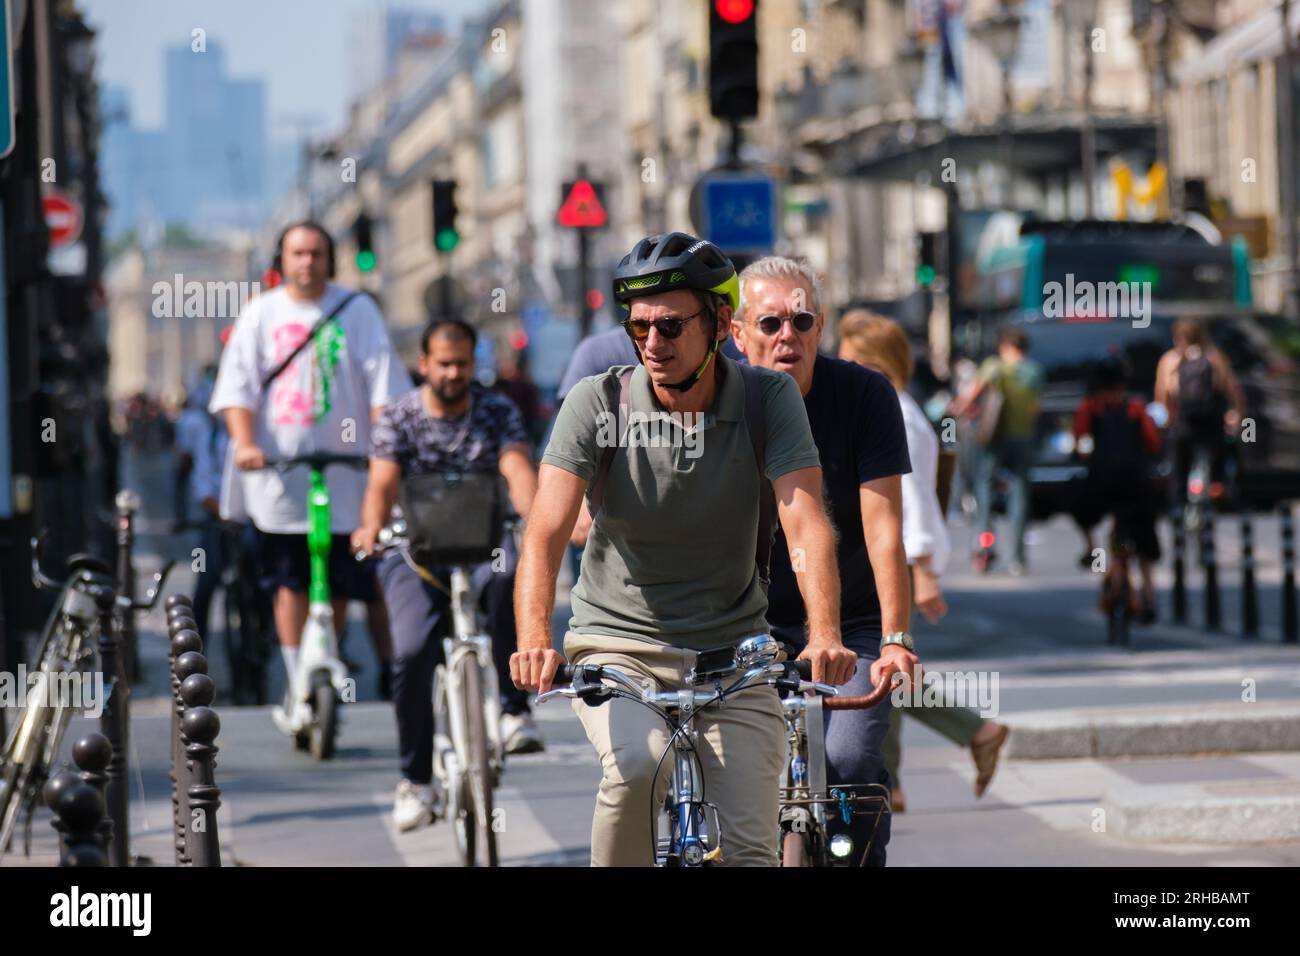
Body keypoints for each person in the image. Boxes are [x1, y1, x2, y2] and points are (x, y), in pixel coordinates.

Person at [512, 232, 868, 867]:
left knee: (754, 845)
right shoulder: (597, 402)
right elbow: (542, 532)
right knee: (636, 769)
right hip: (619, 647)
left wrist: (825, 633)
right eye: (640, 328)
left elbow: (805, 521)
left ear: (721, 324)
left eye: (672, 326)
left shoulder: (768, 399)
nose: (654, 344)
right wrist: (535, 637)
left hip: (736, 652)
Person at [732, 262, 919, 867]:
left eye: (802, 319)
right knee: (723, 781)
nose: (788, 334)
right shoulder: (719, 405)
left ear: (821, 328)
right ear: (738, 335)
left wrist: (894, 638)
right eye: (769, 322)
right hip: (742, 627)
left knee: (852, 766)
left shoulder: (866, 394)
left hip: (854, 623)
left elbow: (885, 527)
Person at [210, 221, 410, 714]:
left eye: (316, 253)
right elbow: (238, 388)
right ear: (282, 259)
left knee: (340, 573)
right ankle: (296, 668)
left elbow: (383, 385)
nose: (307, 262)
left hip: (347, 470)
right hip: (281, 471)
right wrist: (245, 443)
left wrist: (384, 447)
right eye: (298, 253)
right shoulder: (261, 313)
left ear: (329, 258)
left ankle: (325, 650)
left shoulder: (357, 310)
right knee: (290, 577)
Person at [352, 317, 541, 831]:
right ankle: (415, 782)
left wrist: (538, 515)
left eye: (463, 363)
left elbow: (517, 468)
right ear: (424, 364)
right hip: (413, 548)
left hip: (482, 540)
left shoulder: (497, 410)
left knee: (511, 577)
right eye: (445, 363)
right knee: (411, 650)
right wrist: (370, 527)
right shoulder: (399, 416)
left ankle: (511, 710)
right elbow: (382, 484)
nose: (455, 373)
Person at [837, 311, 1008, 811]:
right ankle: (962, 741)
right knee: (884, 675)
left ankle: (890, 777)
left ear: (873, 361)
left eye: (850, 359)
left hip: (898, 561)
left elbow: (911, 500)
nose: (840, 369)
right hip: (894, 558)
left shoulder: (894, 413)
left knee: (879, 675)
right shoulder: (892, 407)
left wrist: (925, 570)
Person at [949, 325, 1044, 575]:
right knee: (1020, 492)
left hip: (994, 437)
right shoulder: (1035, 371)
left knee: (984, 486)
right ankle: (1017, 558)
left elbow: (973, 393)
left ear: (1005, 346)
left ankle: (985, 544)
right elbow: (1036, 408)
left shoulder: (995, 366)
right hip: (1023, 437)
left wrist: (954, 409)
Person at [1074, 357, 1163, 623]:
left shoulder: (1091, 407)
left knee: (1080, 508)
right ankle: (1149, 595)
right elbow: (1153, 442)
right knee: (1144, 538)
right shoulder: (1136, 408)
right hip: (1135, 482)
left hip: (1101, 482)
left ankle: (1091, 551)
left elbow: (1080, 440)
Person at [1154, 317, 1246, 509]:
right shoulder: (1214, 357)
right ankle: (1218, 485)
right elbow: (1234, 391)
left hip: (1183, 423)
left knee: (1178, 469)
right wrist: (1237, 414)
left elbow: (1161, 397)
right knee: (1224, 452)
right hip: (1211, 424)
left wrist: (1165, 421)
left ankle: (1178, 508)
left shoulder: (1169, 360)